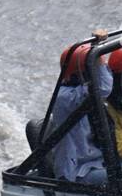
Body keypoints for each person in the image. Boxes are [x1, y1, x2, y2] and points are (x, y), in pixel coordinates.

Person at [45, 41, 111, 186]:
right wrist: (98, 57)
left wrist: (97, 48)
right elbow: (104, 88)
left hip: (98, 162)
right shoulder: (65, 97)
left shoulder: (82, 92)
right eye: (93, 70)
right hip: (77, 172)